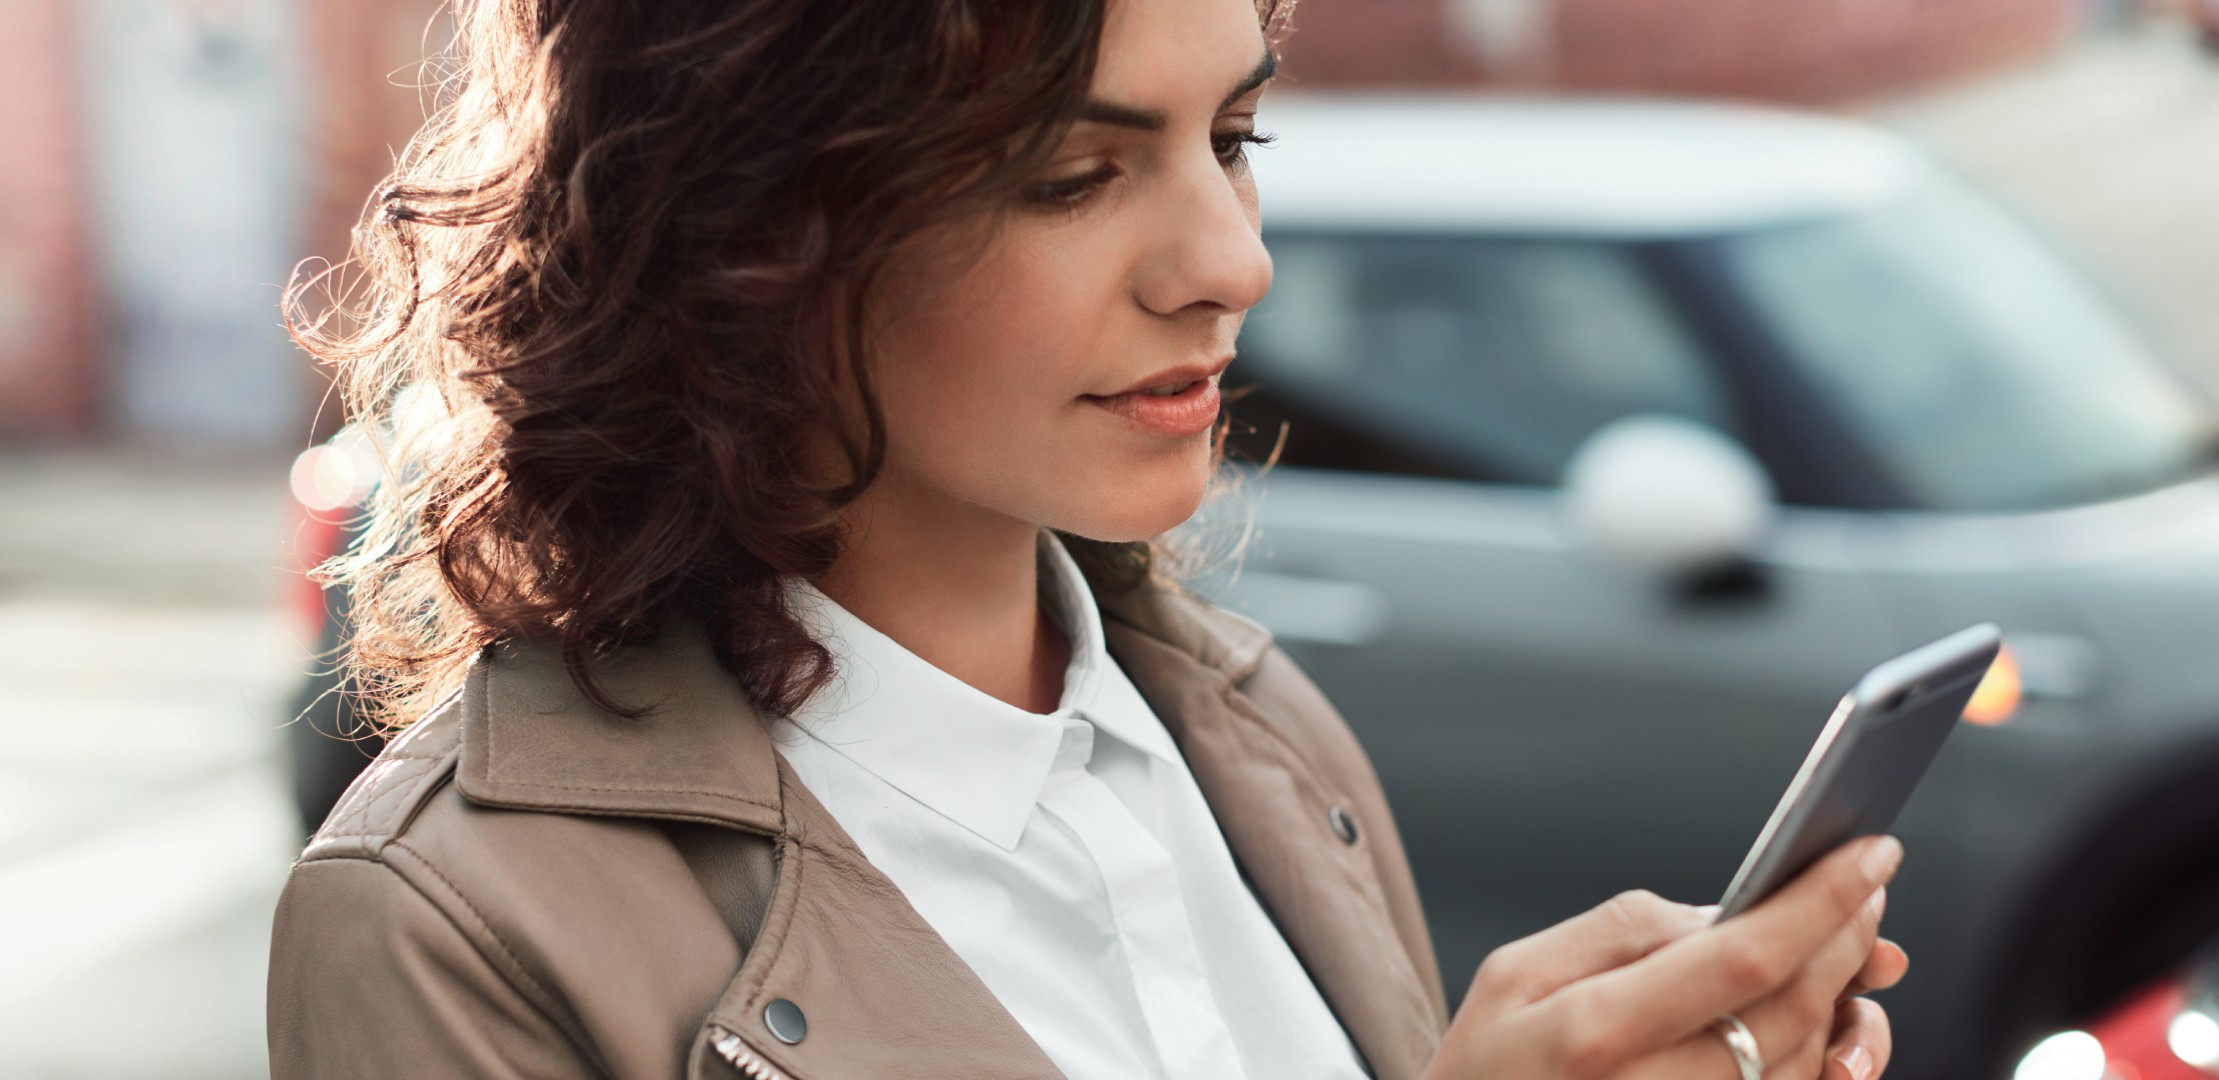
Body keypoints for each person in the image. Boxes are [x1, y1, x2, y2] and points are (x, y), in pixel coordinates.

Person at [267, 0, 1908, 1076]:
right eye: (1072, 174)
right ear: (749, 228)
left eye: (1235, 139)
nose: (1233, 264)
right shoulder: (451, 930)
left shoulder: (1259, 732)